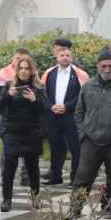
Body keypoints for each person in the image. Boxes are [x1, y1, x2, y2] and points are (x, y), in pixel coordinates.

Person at [70, 48, 111, 208]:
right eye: (104, 66)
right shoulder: (87, 86)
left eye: (110, 66)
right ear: (98, 66)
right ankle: (75, 207)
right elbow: (79, 113)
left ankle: (108, 205)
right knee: (83, 176)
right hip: (90, 140)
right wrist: (82, 134)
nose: (107, 69)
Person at [0, 53, 48, 211]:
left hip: (32, 133)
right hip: (12, 131)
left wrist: (34, 99)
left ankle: (35, 198)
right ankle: (6, 200)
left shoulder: (39, 87)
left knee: (32, 168)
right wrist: (8, 95)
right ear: (17, 70)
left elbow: (44, 109)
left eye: (26, 68)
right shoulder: (9, 84)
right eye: (21, 68)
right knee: (9, 168)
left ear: (32, 70)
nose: (23, 71)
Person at [41, 39, 87, 185]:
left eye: (67, 55)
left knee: (75, 148)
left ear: (72, 58)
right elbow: (43, 93)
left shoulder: (80, 74)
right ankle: (55, 176)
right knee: (55, 147)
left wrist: (67, 106)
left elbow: (83, 95)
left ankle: (75, 178)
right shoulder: (49, 73)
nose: (65, 58)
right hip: (53, 116)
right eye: (62, 55)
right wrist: (50, 106)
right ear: (57, 57)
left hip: (71, 116)